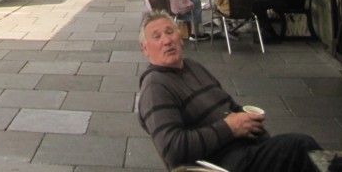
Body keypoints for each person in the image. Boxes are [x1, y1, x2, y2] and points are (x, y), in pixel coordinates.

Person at [138, 10, 321, 171]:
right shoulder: (156, 86)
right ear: (145, 49)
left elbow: (229, 106)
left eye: (170, 32)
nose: (167, 40)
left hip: (245, 149)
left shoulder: (193, 67)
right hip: (221, 164)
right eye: (157, 37)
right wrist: (229, 128)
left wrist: (247, 120)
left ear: (180, 38)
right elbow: (172, 149)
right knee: (302, 148)